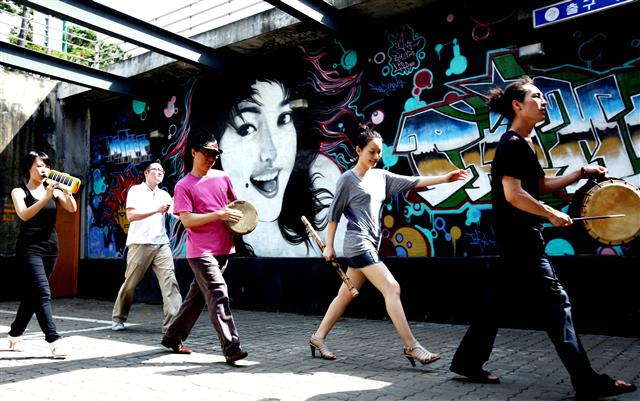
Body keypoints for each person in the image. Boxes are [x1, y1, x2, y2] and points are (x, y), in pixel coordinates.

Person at [449, 76, 636, 399]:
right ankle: (586, 380)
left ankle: (467, 361)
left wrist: (580, 173)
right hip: (523, 242)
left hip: (516, 240)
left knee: (496, 303)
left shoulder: (525, 143)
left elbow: (538, 186)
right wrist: (550, 214)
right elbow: (513, 193)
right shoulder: (512, 144)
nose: (544, 101)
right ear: (517, 106)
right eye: (536, 96)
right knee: (557, 305)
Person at [308, 126, 469, 366]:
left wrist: (446, 178)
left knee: (344, 295)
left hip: (371, 244)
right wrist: (328, 246)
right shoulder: (347, 180)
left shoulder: (382, 177)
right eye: (371, 152)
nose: (376, 156)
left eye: (379, 152)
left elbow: (415, 181)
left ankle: (317, 337)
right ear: (358, 150)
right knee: (392, 288)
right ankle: (411, 346)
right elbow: (334, 215)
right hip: (357, 243)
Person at [188, 69, 345, 257]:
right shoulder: (199, 194)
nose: (271, 153)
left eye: (284, 119)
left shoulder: (321, 181)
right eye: (246, 129)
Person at [160, 133, 248, 364]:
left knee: (196, 298)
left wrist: (242, 224)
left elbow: (236, 209)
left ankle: (172, 336)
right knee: (218, 293)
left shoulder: (223, 178)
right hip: (200, 252)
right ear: (193, 152)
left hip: (224, 249)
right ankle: (231, 347)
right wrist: (218, 214)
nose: (211, 158)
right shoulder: (183, 185)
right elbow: (187, 220)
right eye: (207, 153)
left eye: (215, 154)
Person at [7, 151, 78, 358]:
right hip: (29, 249)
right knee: (43, 293)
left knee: (32, 296)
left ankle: (14, 334)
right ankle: (54, 340)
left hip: (50, 249)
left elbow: (72, 209)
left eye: (47, 166)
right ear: (29, 167)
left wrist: (65, 192)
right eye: (39, 166)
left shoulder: (53, 190)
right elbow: (24, 214)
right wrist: (45, 197)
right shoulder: (19, 191)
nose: (44, 170)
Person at [111, 161, 182, 333]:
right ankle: (118, 317)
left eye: (161, 171)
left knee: (170, 282)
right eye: (155, 170)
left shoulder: (165, 195)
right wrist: (156, 210)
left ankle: (172, 325)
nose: (159, 173)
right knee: (130, 283)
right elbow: (131, 215)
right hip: (139, 243)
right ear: (146, 173)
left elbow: (178, 215)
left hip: (161, 243)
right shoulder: (135, 191)